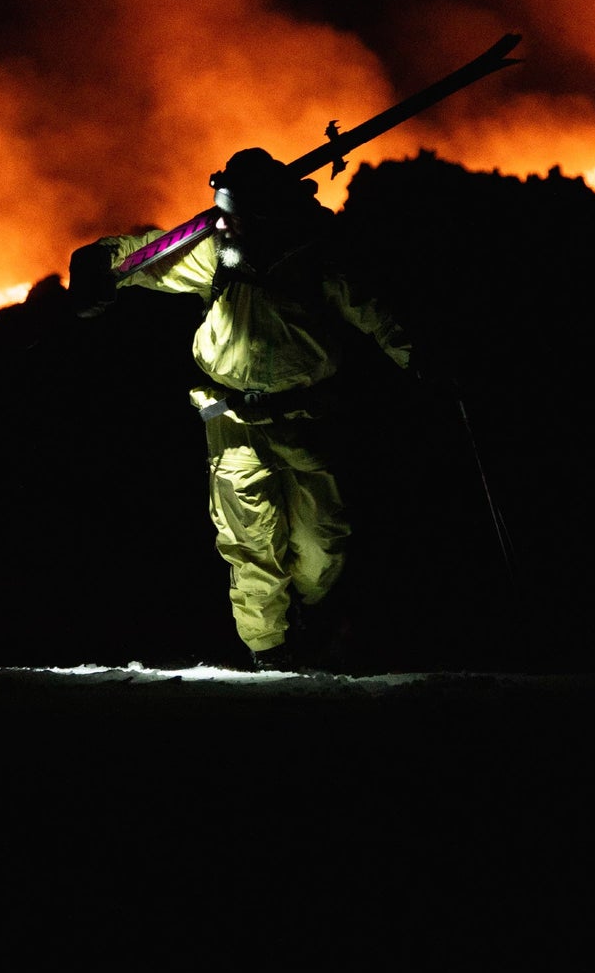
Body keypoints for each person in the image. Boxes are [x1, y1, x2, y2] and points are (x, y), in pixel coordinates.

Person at [69, 147, 416, 671]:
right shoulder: (215, 250)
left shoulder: (317, 253)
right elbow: (150, 253)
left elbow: (378, 311)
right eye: (220, 209)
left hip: (306, 420)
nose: (221, 222)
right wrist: (100, 262)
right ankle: (270, 655)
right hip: (232, 424)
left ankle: (313, 623)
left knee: (321, 546)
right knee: (250, 546)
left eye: (231, 212)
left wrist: (424, 357)